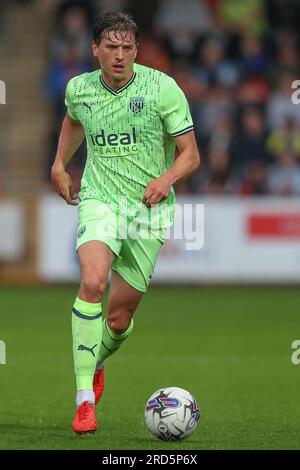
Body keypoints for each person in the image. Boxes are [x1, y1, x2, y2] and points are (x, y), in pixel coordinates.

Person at [51, 11, 200, 435]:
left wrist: (166, 177)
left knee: (118, 318)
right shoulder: (79, 88)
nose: (120, 56)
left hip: (149, 210)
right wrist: (59, 164)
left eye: (127, 48)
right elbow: (74, 120)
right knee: (93, 282)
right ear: (94, 49)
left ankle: (95, 362)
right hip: (100, 200)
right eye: (111, 48)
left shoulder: (162, 88)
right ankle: (83, 400)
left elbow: (190, 154)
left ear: (136, 50)